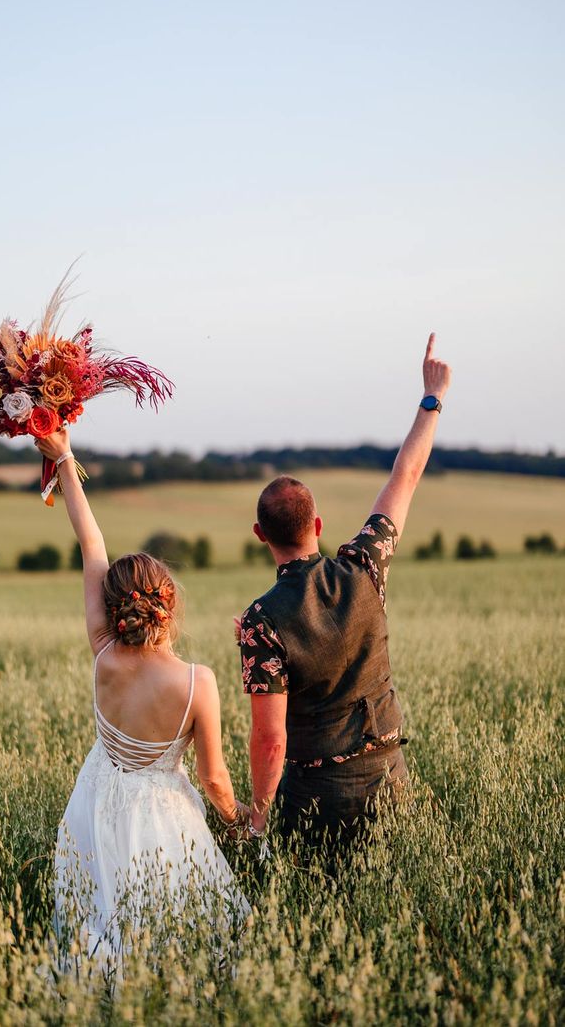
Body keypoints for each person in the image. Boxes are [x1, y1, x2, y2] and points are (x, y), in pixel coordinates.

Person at [34, 426, 249, 967]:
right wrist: (238, 821)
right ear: (168, 605)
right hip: (162, 816)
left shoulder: (102, 651)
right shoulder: (198, 683)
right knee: (179, 933)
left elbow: (91, 546)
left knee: (99, 915)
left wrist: (64, 459)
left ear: (114, 608)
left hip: (95, 798)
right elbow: (215, 779)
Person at [238, 333, 452, 853]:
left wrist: (259, 822)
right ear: (317, 523)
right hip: (391, 783)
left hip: (315, 806)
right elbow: (406, 476)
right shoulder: (365, 566)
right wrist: (432, 398)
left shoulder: (260, 622)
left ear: (261, 534)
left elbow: (270, 739)